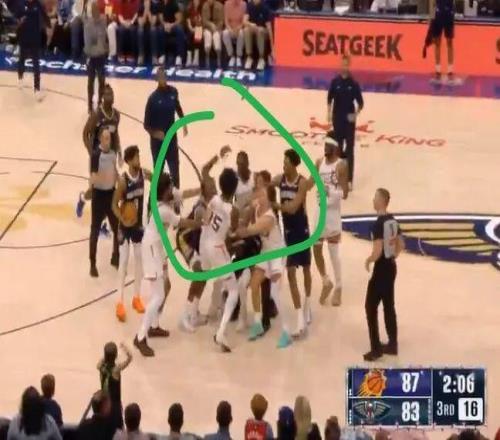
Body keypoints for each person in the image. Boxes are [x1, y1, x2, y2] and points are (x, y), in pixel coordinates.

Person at [134, 173, 201, 357]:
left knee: (167, 285)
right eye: (170, 187)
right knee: (158, 295)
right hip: (151, 248)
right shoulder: (163, 210)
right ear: (164, 191)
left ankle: (154, 325)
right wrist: (201, 223)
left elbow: (184, 193)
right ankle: (140, 337)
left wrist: (200, 189)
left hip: (158, 246)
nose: (173, 189)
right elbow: (182, 222)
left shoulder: (167, 197)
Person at [236, 175, 292, 349]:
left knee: (274, 293)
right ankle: (258, 323)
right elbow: (244, 213)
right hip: (266, 251)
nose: (258, 196)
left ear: (269, 199)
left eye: (262, 195)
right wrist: (245, 212)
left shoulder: (269, 217)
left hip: (277, 252)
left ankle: (286, 332)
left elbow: (249, 230)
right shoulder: (257, 208)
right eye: (258, 194)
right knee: (254, 285)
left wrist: (237, 230)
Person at [177, 147, 229, 333]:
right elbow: (201, 224)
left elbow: (205, 169)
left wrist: (218, 155)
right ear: (205, 191)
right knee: (199, 273)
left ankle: (194, 312)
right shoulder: (201, 207)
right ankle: (185, 315)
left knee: (204, 275)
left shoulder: (210, 194)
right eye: (212, 187)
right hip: (186, 239)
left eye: (215, 185)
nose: (215, 188)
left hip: (198, 239)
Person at [272, 149, 311, 338]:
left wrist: (276, 206)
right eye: (283, 162)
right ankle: (300, 320)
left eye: (286, 162)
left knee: (306, 269)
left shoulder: (301, 183)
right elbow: (265, 184)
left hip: (301, 230)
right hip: (288, 232)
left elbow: (294, 207)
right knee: (291, 272)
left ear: (294, 165)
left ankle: (307, 304)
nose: (283, 165)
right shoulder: (279, 179)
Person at [200, 168, 240, 352]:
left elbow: (205, 220)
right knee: (234, 290)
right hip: (218, 247)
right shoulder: (233, 210)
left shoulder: (214, 199)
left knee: (224, 280)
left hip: (206, 245)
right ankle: (221, 332)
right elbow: (233, 231)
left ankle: (214, 307)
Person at [363, 188, 404, 361]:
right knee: (388, 305)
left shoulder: (378, 224)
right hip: (391, 267)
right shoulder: (393, 220)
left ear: (381, 201)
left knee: (370, 306)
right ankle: (393, 344)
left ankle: (376, 348)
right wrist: (393, 255)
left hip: (381, 269)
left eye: (375, 197)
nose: (373, 200)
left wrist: (369, 260)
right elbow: (401, 244)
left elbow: (378, 250)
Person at [308, 134, 348, 307]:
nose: (325, 148)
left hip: (332, 213)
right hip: (319, 212)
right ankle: (326, 281)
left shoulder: (341, 165)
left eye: (328, 146)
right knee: (316, 248)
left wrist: (329, 191)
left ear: (335, 147)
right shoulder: (319, 163)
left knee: (333, 253)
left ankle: (339, 286)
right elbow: (309, 183)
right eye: (324, 145)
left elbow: (344, 193)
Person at [112, 145, 151, 322]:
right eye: (135, 157)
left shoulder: (143, 174)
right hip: (125, 226)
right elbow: (114, 204)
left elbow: (157, 179)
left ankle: (136, 297)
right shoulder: (123, 181)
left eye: (139, 156)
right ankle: (119, 302)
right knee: (123, 262)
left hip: (138, 225)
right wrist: (122, 218)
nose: (138, 159)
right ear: (128, 161)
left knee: (139, 261)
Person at [144, 67, 187, 188]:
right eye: (160, 76)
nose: (163, 78)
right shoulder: (152, 99)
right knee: (158, 174)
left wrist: (184, 123)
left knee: (175, 173)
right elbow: (146, 124)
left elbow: (178, 107)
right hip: (157, 143)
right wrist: (155, 133)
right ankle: (154, 198)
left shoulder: (173, 92)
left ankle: (176, 198)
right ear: (157, 79)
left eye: (164, 75)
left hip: (171, 140)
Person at [326, 55, 363, 191]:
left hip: (349, 122)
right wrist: (329, 113)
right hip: (337, 119)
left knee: (350, 150)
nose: (344, 67)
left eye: (346, 64)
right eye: (342, 64)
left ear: (349, 65)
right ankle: (338, 177)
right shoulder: (335, 82)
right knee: (338, 149)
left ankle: (349, 180)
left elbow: (360, 103)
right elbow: (329, 99)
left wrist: (355, 114)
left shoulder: (354, 84)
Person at [88, 127, 120, 277]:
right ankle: (92, 264)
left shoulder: (113, 154)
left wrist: (120, 182)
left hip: (111, 195)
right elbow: (93, 175)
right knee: (95, 230)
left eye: (109, 138)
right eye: (106, 138)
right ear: (100, 139)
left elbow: (114, 170)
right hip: (99, 195)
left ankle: (115, 256)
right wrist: (91, 185)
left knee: (116, 227)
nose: (108, 140)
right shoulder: (96, 155)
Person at [16, 0, 49, 101]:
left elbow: (45, 18)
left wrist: (47, 25)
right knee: (22, 59)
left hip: (35, 39)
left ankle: (37, 89)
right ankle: (20, 78)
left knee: (36, 64)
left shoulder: (38, 4)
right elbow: (17, 18)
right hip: (24, 37)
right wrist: (19, 21)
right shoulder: (21, 4)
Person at [98, 342, 133, 432]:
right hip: (114, 405)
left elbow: (102, 361)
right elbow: (130, 358)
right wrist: (125, 348)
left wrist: (106, 356)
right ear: (116, 355)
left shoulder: (100, 366)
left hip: (104, 402)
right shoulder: (116, 370)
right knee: (118, 428)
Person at [84, 0, 108, 114]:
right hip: (91, 57)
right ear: (92, 12)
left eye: (97, 10)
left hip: (101, 56)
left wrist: (101, 48)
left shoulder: (103, 21)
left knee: (102, 80)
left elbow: (102, 40)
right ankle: (90, 104)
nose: (96, 12)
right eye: (94, 10)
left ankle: (100, 103)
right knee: (91, 81)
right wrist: (98, 48)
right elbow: (89, 45)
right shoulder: (88, 25)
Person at [243, 0, 273, 70]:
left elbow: (269, 27)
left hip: (263, 31)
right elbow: (244, 21)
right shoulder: (249, 5)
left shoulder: (265, 7)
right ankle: (249, 57)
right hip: (253, 28)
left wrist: (272, 46)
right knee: (246, 30)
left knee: (260, 30)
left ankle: (261, 59)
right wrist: (250, 24)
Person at [430, 0, 455, 80]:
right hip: (437, 16)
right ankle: (438, 70)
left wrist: (452, 14)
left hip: (449, 15)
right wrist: (431, 18)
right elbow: (432, 2)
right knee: (437, 43)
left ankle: (450, 71)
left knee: (449, 43)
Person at [159, 0, 185, 66]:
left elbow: (179, 19)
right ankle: (162, 55)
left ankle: (179, 56)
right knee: (160, 30)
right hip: (165, 25)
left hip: (173, 25)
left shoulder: (174, 4)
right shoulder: (160, 4)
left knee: (179, 30)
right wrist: (165, 24)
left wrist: (171, 25)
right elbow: (161, 18)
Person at [222, 0, 245, 68]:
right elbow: (226, 20)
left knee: (241, 33)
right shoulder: (227, 4)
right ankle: (231, 56)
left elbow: (244, 21)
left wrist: (239, 28)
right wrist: (230, 29)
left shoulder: (243, 4)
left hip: (239, 28)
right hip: (230, 28)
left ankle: (238, 56)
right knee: (225, 33)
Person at [201, 0, 223, 68]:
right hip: (207, 28)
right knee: (208, 36)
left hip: (217, 28)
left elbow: (221, 21)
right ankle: (207, 56)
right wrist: (211, 25)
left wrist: (216, 28)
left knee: (216, 36)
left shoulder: (220, 6)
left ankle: (218, 57)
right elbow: (204, 21)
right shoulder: (204, 6)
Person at [185, 0, 203, 67]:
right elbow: (188, 22)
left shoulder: (201, 10)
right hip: (190, 28)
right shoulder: (189, 9)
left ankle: (196, 58)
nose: (196, 1)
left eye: (198, 0)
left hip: (199, 27)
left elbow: (201, 22)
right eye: (195, 0)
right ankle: (189, 58)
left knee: (198, 31)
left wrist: (196, 28)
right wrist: (191, 28)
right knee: (190, 34)